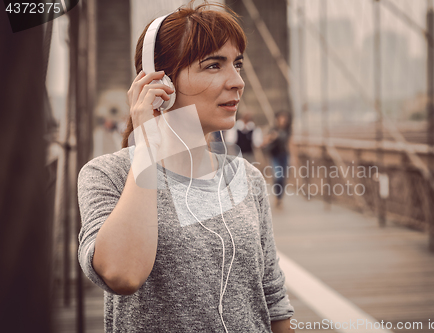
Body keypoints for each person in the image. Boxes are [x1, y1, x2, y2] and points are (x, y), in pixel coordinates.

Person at [76, 2, 295, 332]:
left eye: (237, 64)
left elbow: (273, 299)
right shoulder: (108, 175)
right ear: (158, 82)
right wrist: (147, 142)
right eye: (212, 66)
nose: (237, 81)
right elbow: (123, 274)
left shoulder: (246, 178)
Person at [262, 111, 292, 209]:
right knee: (278, 177)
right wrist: (272, 137)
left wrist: (293, 158)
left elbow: (290, 143)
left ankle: (280, 198)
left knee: (283, 178)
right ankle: (277, 197)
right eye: (281, 118)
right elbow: (264, 142)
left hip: (284, 156)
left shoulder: (288, 130)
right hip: (275, 156)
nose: (283, 121)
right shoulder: (273, 130)